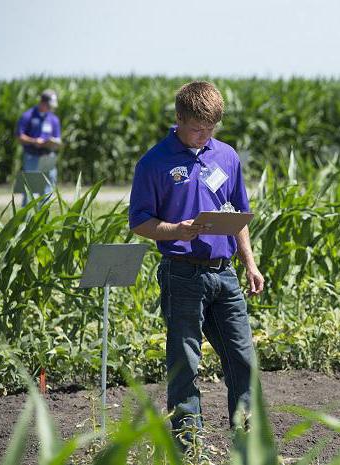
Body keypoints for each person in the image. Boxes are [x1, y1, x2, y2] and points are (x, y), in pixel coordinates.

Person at [128, 81, 264, 448]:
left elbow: (239, 215)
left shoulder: (227, 156)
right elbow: (139, 221)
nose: (204, 136)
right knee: (185, 364)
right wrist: (176, 230)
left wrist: (249, 264)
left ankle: (247, 438)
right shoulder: (154, 162)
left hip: (225, 274)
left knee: (242, 357)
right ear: (178, 118)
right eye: (196, 128)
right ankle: (190, 443)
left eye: (211, 129)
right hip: (182, 272)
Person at [15, 89, 62, 204]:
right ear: (42, 102)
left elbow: (57, 138)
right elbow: (19, 136)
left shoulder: (53, 119)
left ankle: (43, 220)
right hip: (32, 157)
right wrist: (34, 141)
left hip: (48, 156)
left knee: (47, 190)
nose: (51, 109)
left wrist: (54, 143)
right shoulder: (28, 116)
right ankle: (26, 220)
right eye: (49, 106)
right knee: (30, 191)